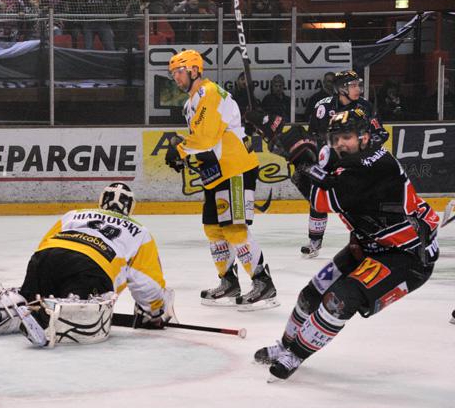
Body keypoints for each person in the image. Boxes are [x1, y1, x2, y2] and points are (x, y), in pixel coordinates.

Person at [252, 109, 439, 381]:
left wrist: (299, 162)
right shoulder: (348, 158)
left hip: (406, 256)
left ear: (364, 137)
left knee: (338, 301)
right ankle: (285, 345)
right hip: (369, 245)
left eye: (347, 137)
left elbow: (321, 199)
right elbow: (320, 158)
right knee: (310, 294)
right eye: (336, 138)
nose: (340, 144)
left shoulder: (376, 165)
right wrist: (281, 138)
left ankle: (296, 355)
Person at [0, 183, 174, 346]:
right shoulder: (140, 232)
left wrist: (37, 276)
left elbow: (44, 244)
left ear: (101, 201)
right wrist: (154, 313)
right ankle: (48, 318)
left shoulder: (75, 215)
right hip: (90, 267)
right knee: (77, 305)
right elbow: (148, 284)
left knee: (33, 295)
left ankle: (3, 311)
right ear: (130, 208)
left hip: (45, 259)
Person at [164, 50, 278, 310]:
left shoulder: (210, 92)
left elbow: (206, 138)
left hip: (235, 168)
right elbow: (205, 141)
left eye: (179, 71)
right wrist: (184, 154)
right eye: (173, 74)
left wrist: (180, 150)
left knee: (234, 228)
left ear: (194, 70)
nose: (176, 78)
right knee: (213, 228)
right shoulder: (191, 103)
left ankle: (263, 283)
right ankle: (228, 282)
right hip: (215, 173)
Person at [301, 70, 388, 258]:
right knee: (318, 197)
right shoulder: (323, 107)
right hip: (331, 160)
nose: (358, 89)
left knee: (363, 202)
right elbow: (312, 136)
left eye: (358, 85)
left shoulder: (365, 107)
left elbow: (381, 134)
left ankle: (369, 239)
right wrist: (321, 154)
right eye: (353, 85)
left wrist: (362, 147)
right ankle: (315, 241)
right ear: (341, 89)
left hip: (358, 162)